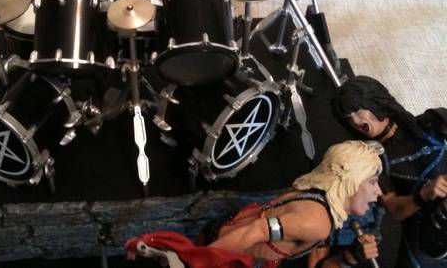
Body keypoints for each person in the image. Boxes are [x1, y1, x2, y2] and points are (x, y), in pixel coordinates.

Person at [125, 140, 383, 268]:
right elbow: (257, 230)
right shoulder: (317, 222)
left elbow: (316, 257)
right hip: (228, 252)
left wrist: (350, 257)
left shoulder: (318, 197)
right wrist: (201, 263)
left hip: (223, 234)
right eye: (372, 182)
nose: (378, 191)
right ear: (350, 179)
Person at [332, 75, 447, 267]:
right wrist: (423, 194)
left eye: (358, 111)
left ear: (375, 102)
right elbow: (394, 209)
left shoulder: (428, 124)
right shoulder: (372, 161)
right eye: (348, 118)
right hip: (423, 241)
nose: (355, 121)